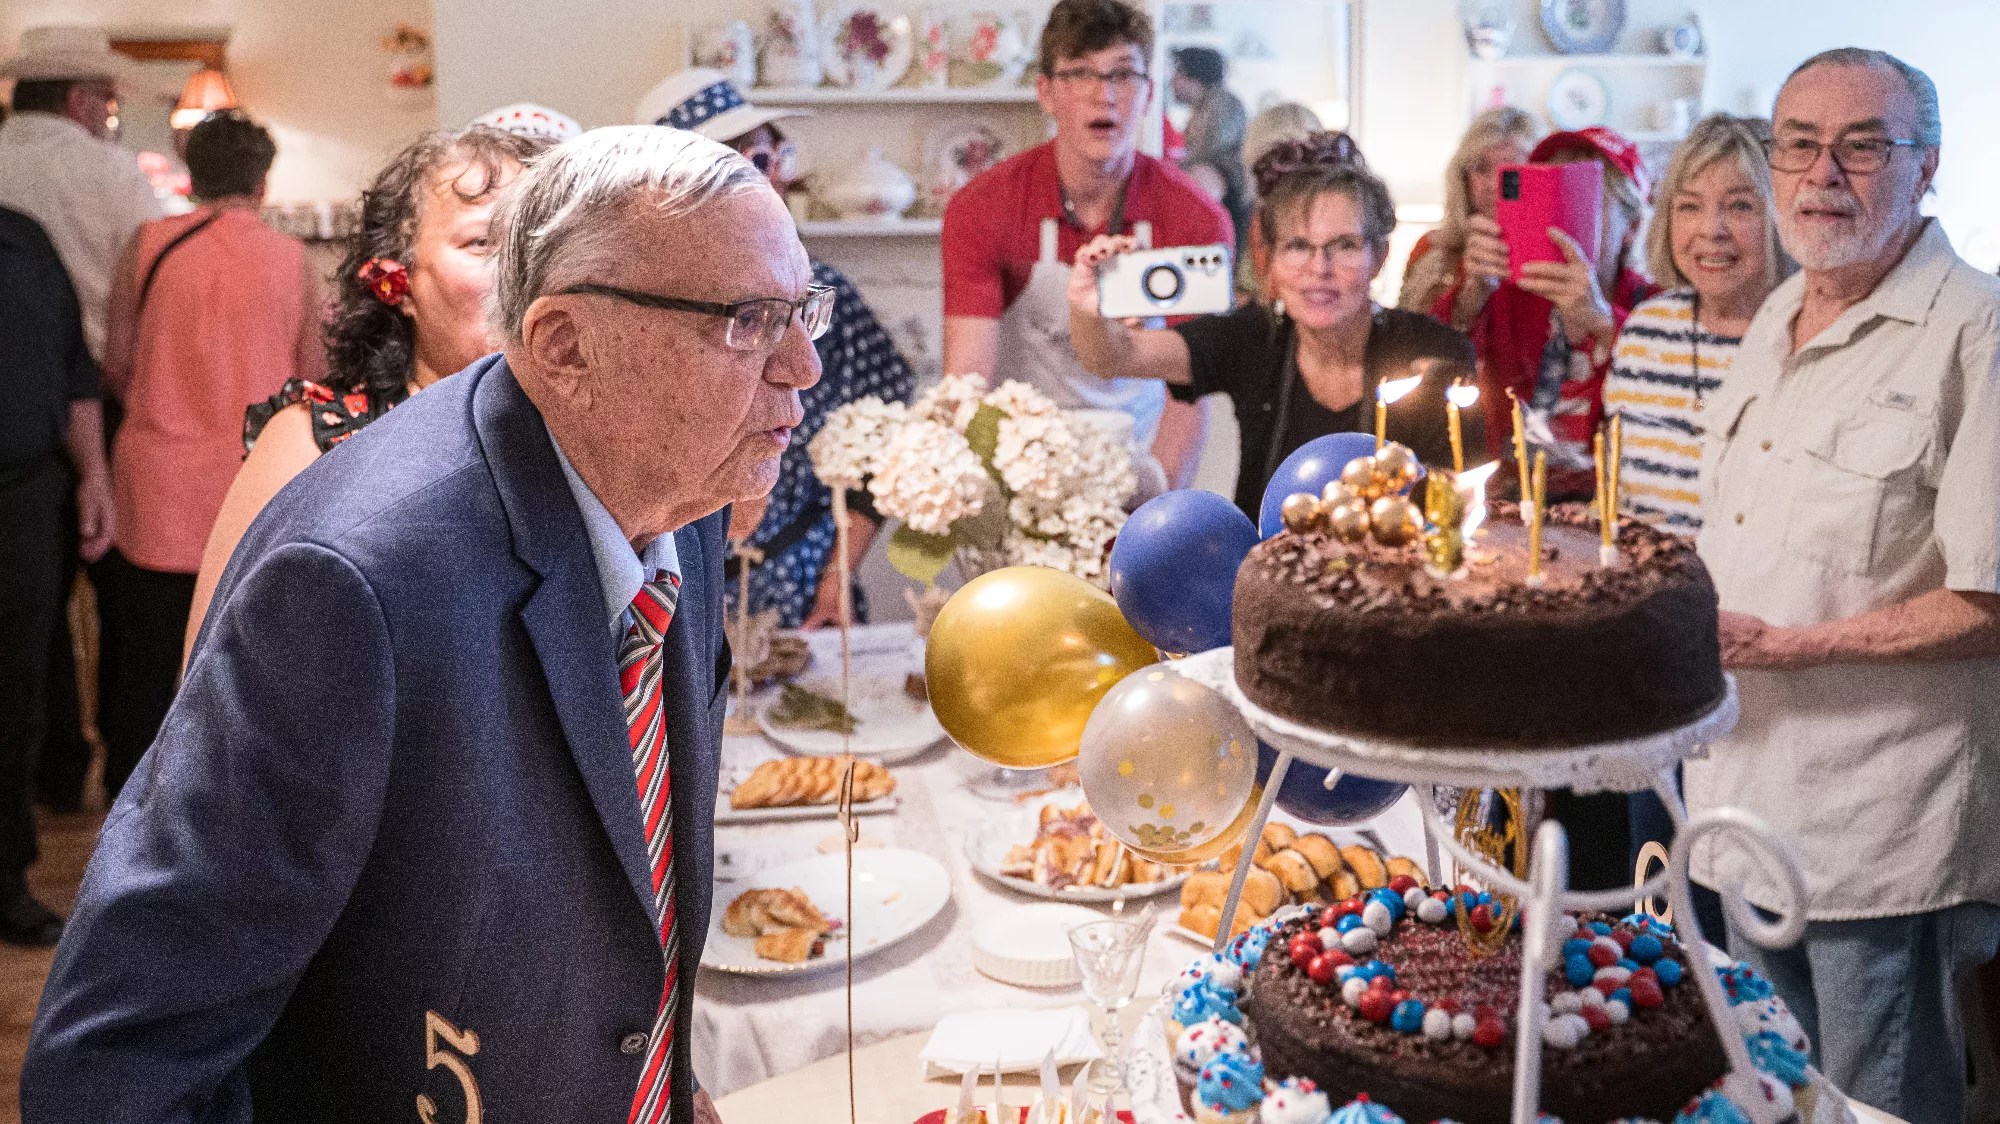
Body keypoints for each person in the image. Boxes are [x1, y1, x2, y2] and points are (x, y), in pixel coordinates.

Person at [24, 124, 811, 1124]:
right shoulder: (353, 582)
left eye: (801, 310)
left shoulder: (676, 485)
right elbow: (116, 1064)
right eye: (748, 321)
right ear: (566, 344)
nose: (802, 365)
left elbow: (623, 869)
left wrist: (660, 1079)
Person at [1685, 49, 2000, 1124]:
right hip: (1741, 808)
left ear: (1926, 166)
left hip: (1876, 836)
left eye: (1862, 146)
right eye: (1799, 145)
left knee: (1869, 1109)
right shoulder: (1778, 313)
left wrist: (1789, 648)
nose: (1823, 173)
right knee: (1772, 1097)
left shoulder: (1976, 330)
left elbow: (1988, 602)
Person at [183, 125, 546, 662]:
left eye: (534, 245)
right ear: (396, 283)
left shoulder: (570, 439)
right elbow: (213, 669)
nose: (520, 274)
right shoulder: (315, 442)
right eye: (482, 244)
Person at [86, 111, 319, 803]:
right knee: (243, 659)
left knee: (140, 659)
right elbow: (312, 380)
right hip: (254, 484)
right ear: (263, 181)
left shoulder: (148, 244)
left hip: (155, 481)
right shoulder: (292, 259)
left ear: (192, 176)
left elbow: (117, 362)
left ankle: (130, 806)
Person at [1069, 132, 1477, 522]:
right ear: (1271, 261)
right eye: (1298, 246)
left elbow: (1468, 499)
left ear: (1379, 257)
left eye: (1344, 246)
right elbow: (1112, 357)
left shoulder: (1434, 354)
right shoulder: (1255, 338)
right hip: (1267, 565)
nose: (1319, 269)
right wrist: (1087, 307)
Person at [636, 69, 916, 628]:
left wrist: (839, 573)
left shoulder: (824, 297)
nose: (770, 180)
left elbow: (888, 425)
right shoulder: (642, 316)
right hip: (672, 591)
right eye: (744, 164)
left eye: (770, 158)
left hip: (805, 588)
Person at [942, 0, 1232, 495]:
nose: (1105, 95)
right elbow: (967, 377)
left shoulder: (1196, 218)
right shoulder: (983, 207)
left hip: (1140, 459)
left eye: (1124, 74)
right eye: (1079, 73)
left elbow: (1189, 386)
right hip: (1018, 468)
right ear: (1046, 92)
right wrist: (984, 493)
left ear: (1148, 94)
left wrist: (1158, 500)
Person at [1, 25, 165, 814]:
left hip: (17, 410)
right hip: (107, 396)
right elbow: (153, 286)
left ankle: (51, 765)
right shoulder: (112, 173)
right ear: (77, 98)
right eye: (105, 100)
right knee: (121, 597)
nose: (108, 114)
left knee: (29, 608)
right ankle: (120, 771)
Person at [0, 206, 112, 945]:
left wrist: (94, 475)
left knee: (17, 698)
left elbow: (76, 375)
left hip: (23, 499)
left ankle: (6, 879)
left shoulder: (26, 240)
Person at [1444, 125, 1657, 503]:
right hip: (1513, 502)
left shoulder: (1656, 311)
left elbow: (1671, 394)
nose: (1562, 223)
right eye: (1550, 204)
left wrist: (1604, 324)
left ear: (1632, 227)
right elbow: (1436, 371)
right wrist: (1470, 297)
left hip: (1616, 508)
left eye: (1583, 205)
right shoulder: (1509, 297)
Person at [1604, 114, 1789, 535]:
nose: (1711, 230)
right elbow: (1622, 494)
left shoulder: (1808, 334)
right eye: (1689, 206)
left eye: (1740, 206)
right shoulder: (1645, 331)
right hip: (1646, 571)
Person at [1397, 106, 1539, 328]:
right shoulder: (1432, 252)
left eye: (1510, 172)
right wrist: (1467, 299)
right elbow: (1405, 339)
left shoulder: (1558, 257)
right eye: (1481, 169)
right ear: (1463, 178)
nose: (1494, 185)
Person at [1170, 46, 1250, 252]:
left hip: (1229, 194)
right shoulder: (1205, 107)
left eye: (1177, 72)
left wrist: (1172, 173)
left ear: (1193, 76)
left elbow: (1208, 153)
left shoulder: (1222, 104)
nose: (1172, 81)